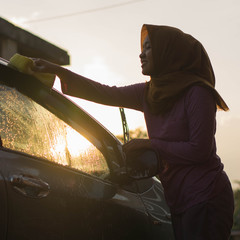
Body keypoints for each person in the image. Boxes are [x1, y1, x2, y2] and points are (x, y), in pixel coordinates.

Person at [32, 24, 234, 240]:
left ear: (168, 53)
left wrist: (151, 144)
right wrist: (58, 71)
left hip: (206, 196)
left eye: (148, 48)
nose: (141, 54)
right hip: (179, 198)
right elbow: (106, 93)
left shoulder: (198, 92)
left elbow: (200, 150)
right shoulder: (149, 92)